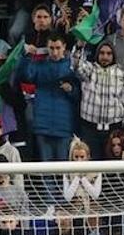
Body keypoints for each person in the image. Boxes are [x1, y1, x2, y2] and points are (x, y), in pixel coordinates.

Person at [17, 33, 79, 161]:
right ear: (47, 47)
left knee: (63, 169)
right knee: (46, 168)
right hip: (42, 124)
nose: (55, 52)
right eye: (51, 48)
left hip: (64, 125)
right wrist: (26, 56)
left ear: (64, 47)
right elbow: (24, 76)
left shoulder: (72, 67)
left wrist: (71, 89)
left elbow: (80, 95)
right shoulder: (39, 65)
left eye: (58, 48)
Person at [73, 41, 124, 158]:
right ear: (97, 54)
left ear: (113, 56)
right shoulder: (89, 70)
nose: (105, 57)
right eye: (102, 53)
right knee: (92, 165)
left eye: (109, 54)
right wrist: (79, 47)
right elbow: (76, 65)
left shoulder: (123, 76)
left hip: (113, 129)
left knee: (111, 166)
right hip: (90, 128)